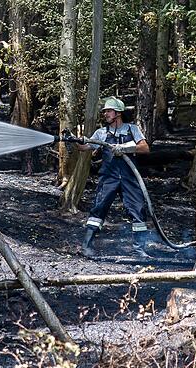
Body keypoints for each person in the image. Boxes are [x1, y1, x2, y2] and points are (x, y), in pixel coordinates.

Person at [76, 96, 151, 257]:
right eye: (105, 112)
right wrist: (75, 139)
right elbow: (84, 147)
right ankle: (86, 246)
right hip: (108, 178)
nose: (105, 114)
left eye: (108, 111)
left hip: (130, 178)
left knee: (137, 209)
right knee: (99, 207)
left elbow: (144, 148)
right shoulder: (101, 133)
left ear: (118, 113)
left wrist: (124, 148)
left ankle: (140, 249)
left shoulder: (132, 129)